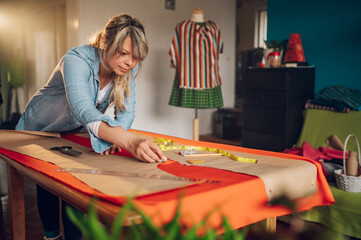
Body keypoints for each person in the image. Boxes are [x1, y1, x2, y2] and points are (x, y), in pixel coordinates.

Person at [16, 14, 166, 240]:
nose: (130, 62)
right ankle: (52, 236)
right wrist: (128, 140)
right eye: (124, 53)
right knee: (47, 183)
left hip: (73, 129)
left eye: (136, 57)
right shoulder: (76, 59)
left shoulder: (127, 69)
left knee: (73, 182)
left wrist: (114, 138)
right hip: (40, 128)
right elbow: (83, 109)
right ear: (106, 43)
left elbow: (127, 111)